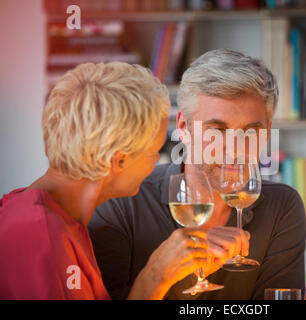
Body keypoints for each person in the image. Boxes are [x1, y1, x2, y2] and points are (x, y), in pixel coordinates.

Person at [88, 49, 306, 300]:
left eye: (250, 132)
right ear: (183, 127)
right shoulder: (123, 201)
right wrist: (157, 274)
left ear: (266, 133)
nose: (234, 150)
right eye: (217, 130)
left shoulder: (282, 208)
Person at [0, 62, 213, 299]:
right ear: (118, 161)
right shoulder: (43, 238)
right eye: (154, 151)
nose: (157, 160)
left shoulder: (58, 217)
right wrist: (155, 275)